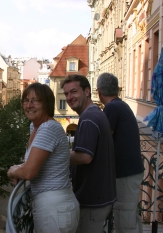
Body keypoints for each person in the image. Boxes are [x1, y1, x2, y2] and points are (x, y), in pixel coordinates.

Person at [7, 82, 79, 233]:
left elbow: (28, 172)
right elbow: (32, 162)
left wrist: (13, 171)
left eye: (35, 100)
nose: (29, 105)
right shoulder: (35, 127)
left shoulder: (48, 128)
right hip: (51, 206)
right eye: (26, 100)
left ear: (46, 104)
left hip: (54, 207)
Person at [62, 74, 116, 233]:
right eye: (66, 94)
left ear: (87, 91)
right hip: (100, 197)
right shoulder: (96, 113)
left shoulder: (88, 118)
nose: (69, 97)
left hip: (92, 199)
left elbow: (85, 156)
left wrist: (56, 157)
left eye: (73, 92)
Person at [97, 72, 144, 233]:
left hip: (125, 173)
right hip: (131, 171)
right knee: (129, 215)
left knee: (124, 218)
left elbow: (103, 139)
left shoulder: (112, 108)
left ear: (99, 92)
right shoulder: (121, 105)